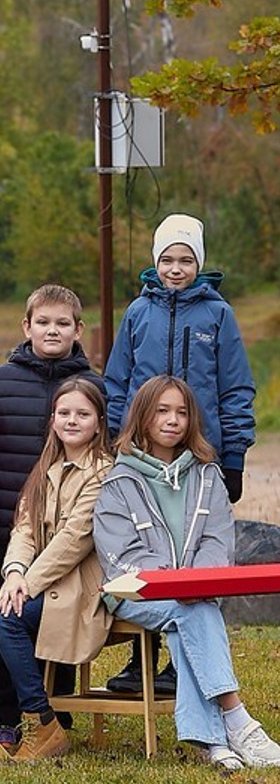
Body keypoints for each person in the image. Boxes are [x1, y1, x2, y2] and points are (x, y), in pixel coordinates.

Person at [93, 375, 280, 770]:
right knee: (190, 611)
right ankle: (237, 720)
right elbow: (118, 554)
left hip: (193, 595)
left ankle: (215, 744)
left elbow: (217, 541)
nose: (172, 420)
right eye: (162, 410)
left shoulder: (207, 475)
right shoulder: (119, 480)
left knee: (191, 614)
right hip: (134, 594)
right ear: (143, 417)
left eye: (181, 412)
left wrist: (195, 582)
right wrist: (173, 584)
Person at [103, 213, 256, 694]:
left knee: (191, 549)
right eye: (167, 259)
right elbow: (117, 380)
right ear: (155, 262)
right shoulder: (137, 313)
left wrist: (234, 456)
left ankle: (180, 658)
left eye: (186, 259)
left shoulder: (218, 315)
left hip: (198, 453)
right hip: (143, 453)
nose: (175, 268)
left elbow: (235, 387)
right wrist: (114, 439)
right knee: (144, 552)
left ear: (199, 263)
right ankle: (140, 658)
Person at [0, 284, 105, 746]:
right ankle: (7, 716)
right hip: (13, 530)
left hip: (69, 542)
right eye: (43, 322)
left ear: (78, 330)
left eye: (62, 323)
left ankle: (55, 713)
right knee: (2, 622)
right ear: (26, 326)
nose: (52, 330)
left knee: (53, 631)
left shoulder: (95, 387)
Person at [0, 379, 113, 762]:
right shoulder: (46, 467)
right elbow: (24, 529)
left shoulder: (104, 472)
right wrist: (13, 573)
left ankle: (43, 723)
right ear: (53, 419)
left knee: (7, 621)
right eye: (64, 413)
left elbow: (75, 540)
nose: (71, 421)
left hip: (81, 587)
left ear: (99, 421)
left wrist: (26, 583)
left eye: (82, 414)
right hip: (38, 582)